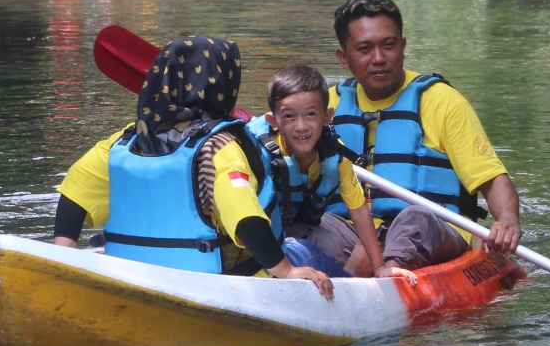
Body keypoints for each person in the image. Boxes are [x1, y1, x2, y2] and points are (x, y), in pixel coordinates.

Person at [51, 36, 337, 298]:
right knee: (312, 254)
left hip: (133, 274)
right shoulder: (221, 148)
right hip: (220, 284)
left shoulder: (127, 141)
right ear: (225, 87)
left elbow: (73, 196)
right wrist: (287, 271)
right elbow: (247, 219)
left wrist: (65, 262)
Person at [323, 0, 521, 270]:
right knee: (313, 223)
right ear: (344, 57)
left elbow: (491, 177)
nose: (379, 58)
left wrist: (507, 220)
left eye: (388, 45)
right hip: (350, 232)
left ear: (403, 46)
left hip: (427, 231)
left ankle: (388, 276)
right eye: (365, 49)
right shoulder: (322, 107)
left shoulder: (443, 101)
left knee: (413, 219)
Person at [246, 65, 388, 278]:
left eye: (311, 114)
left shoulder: (336, 155)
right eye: (289, 116)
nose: (301, 126)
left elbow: (359, 211)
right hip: (261, 234)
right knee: (314, 249)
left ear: (327, 116)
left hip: (296, 226)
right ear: (273, 121)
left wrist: (380, 268)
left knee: (331, 245)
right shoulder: (257, 154)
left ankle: (340, 277)